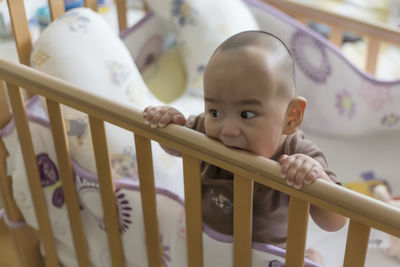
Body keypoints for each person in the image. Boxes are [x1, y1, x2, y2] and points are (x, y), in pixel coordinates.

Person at [143, 31, 347, 249]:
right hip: (207, 244)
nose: (228, 130)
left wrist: (314, 178)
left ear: (291, 117)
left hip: (269, 258)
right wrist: (169, 124)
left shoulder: (300, 156)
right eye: (215, 112)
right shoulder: (204, 130)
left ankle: (309, 255)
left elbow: (336, 221)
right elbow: (176, 145)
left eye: (246, 115)